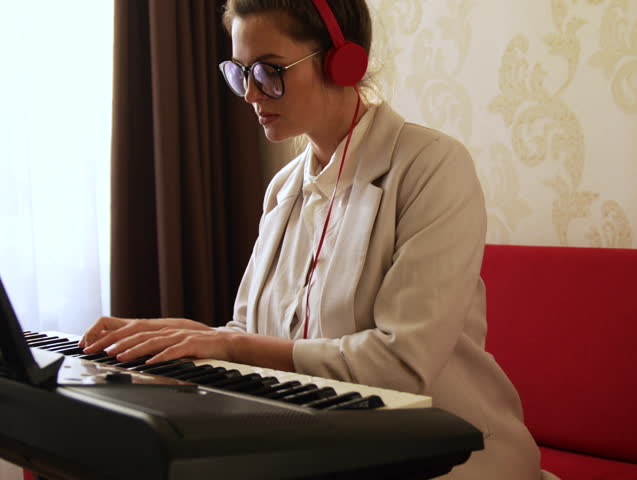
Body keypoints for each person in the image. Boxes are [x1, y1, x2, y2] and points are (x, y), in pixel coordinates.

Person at [79, 1, 544, 478]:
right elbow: (259, 338)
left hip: (447, 458)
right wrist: (196, 338)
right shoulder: (283, 189)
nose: (251, 94)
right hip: (328, 452)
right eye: (241, 73)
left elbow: (400, 366)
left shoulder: (433, 167)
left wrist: (232, 348)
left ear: (343, 60)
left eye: (269, 70)